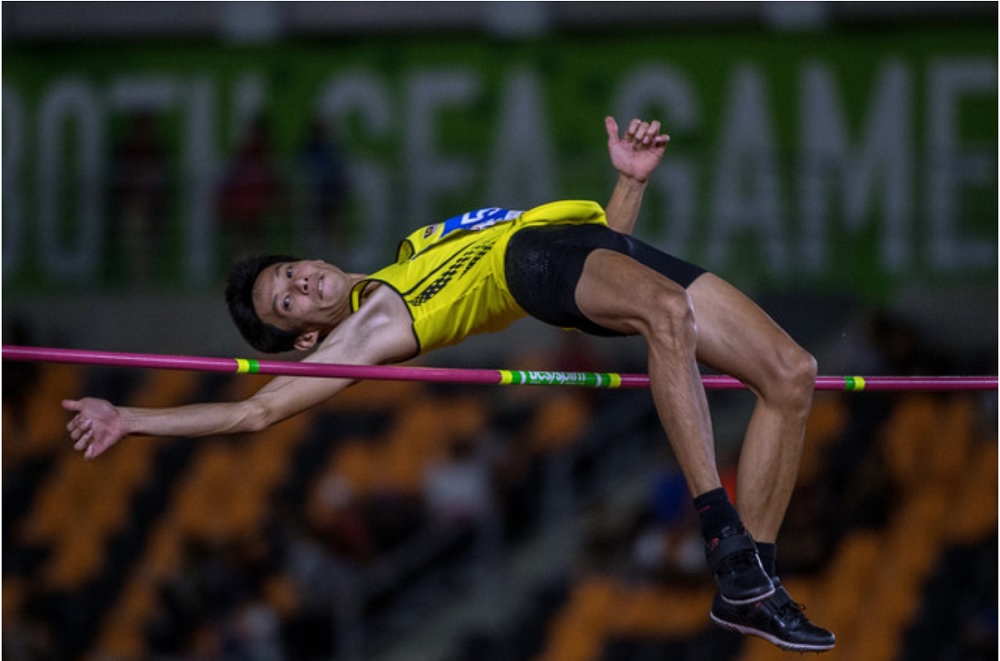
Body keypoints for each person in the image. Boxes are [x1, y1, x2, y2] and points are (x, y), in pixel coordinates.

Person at [64, 116, 834, 652]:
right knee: (666, 313)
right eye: (287, 299)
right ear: (304, 335)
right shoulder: (369, 325)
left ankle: (752, 581)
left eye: (287, 270)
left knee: (792, 374)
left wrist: (626, 182)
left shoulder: (408, 252)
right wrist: (129, 417)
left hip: (583, 244)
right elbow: (257, 411)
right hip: (532, 266)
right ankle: (720, 530)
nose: (298, 278)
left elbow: (607, 246)